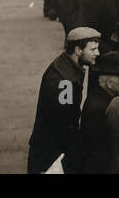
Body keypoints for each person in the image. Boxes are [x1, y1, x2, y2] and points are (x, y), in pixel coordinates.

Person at [27, 26, 100, 174]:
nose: (97, 53)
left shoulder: (67, 64)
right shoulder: (65, 83)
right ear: (78, 50)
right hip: (51, 155)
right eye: (92, 50)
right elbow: (65, 121)